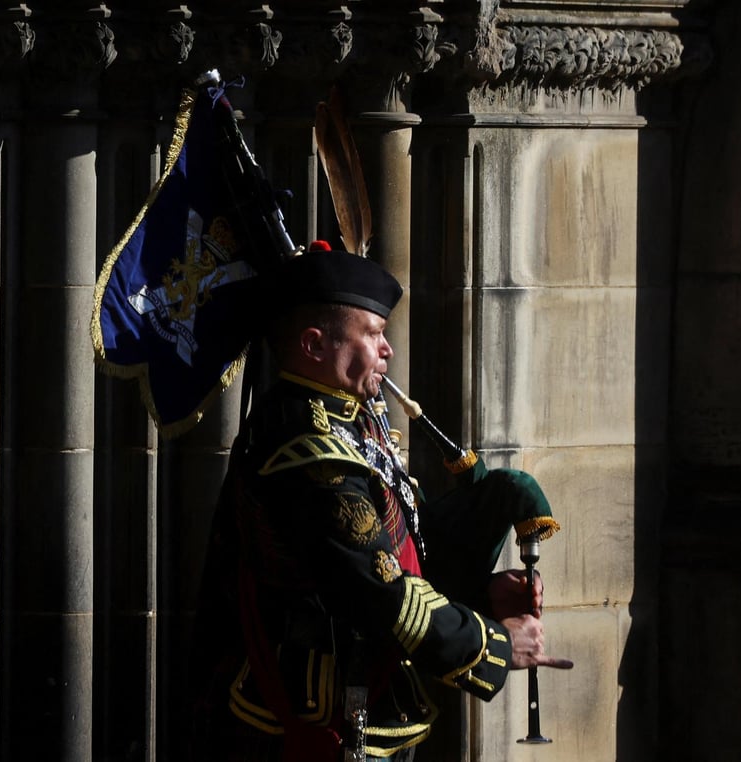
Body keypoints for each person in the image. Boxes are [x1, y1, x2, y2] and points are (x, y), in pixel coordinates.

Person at [191, 244, 573, 761]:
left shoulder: (351, 421)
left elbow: (398, 543)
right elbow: (384, 593)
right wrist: (495, 646)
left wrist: (482, 592)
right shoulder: (310, 455)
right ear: (314, 344)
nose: (387, 349)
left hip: (368, 700)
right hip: (318, 720)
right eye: (373, 333)